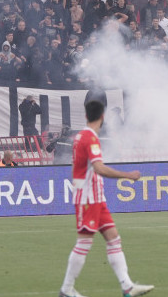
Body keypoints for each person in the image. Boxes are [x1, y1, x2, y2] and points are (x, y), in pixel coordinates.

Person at [59, 100, 153, 297]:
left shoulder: (79, 136)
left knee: (113, 238)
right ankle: (66, 290)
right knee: (84, 242)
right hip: (88, 197)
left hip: (95, 197)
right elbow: (99, 168)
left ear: (86, 116)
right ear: (103, 117)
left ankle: (127, 286)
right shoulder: (90, 138)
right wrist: (127, 175)